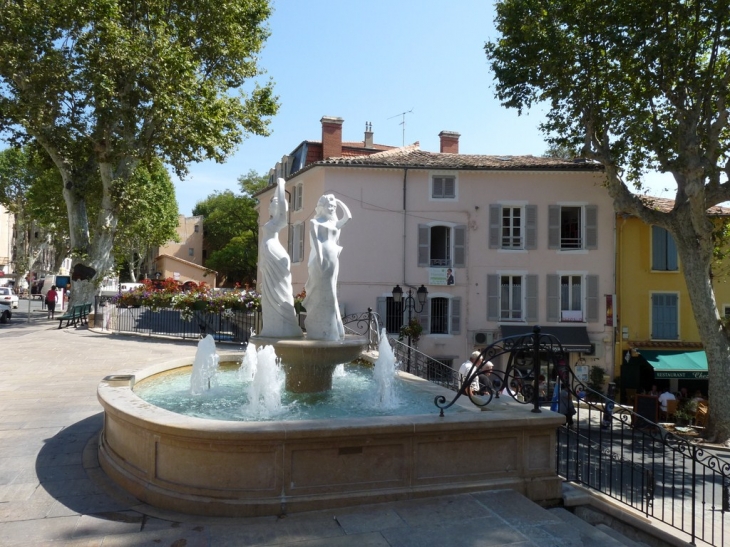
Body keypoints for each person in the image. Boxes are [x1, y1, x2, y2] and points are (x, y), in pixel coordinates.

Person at [303, 194, 352, 341]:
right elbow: (316, 241)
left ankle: (333, 328)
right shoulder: (315, 221)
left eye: (333, 207)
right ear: (322, 207)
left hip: (333, 258)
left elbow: (348, 217)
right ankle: (324, 329)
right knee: (325, 292)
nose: (332, 208)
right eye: (329, 206)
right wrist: (320, 258)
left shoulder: (334, 223)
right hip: (321, 259)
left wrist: (338, 202)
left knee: (331, 292)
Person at [258, 178, 303, 338]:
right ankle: (272, 327)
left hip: (275, 253)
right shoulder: (270, 221)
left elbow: (284, 210)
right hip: (269, 252)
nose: (269, 206)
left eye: (273, 203)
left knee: (279, 289)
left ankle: (285, 324)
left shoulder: (278, 220)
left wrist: (281, 186)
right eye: (270, 204)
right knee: (270, 291)